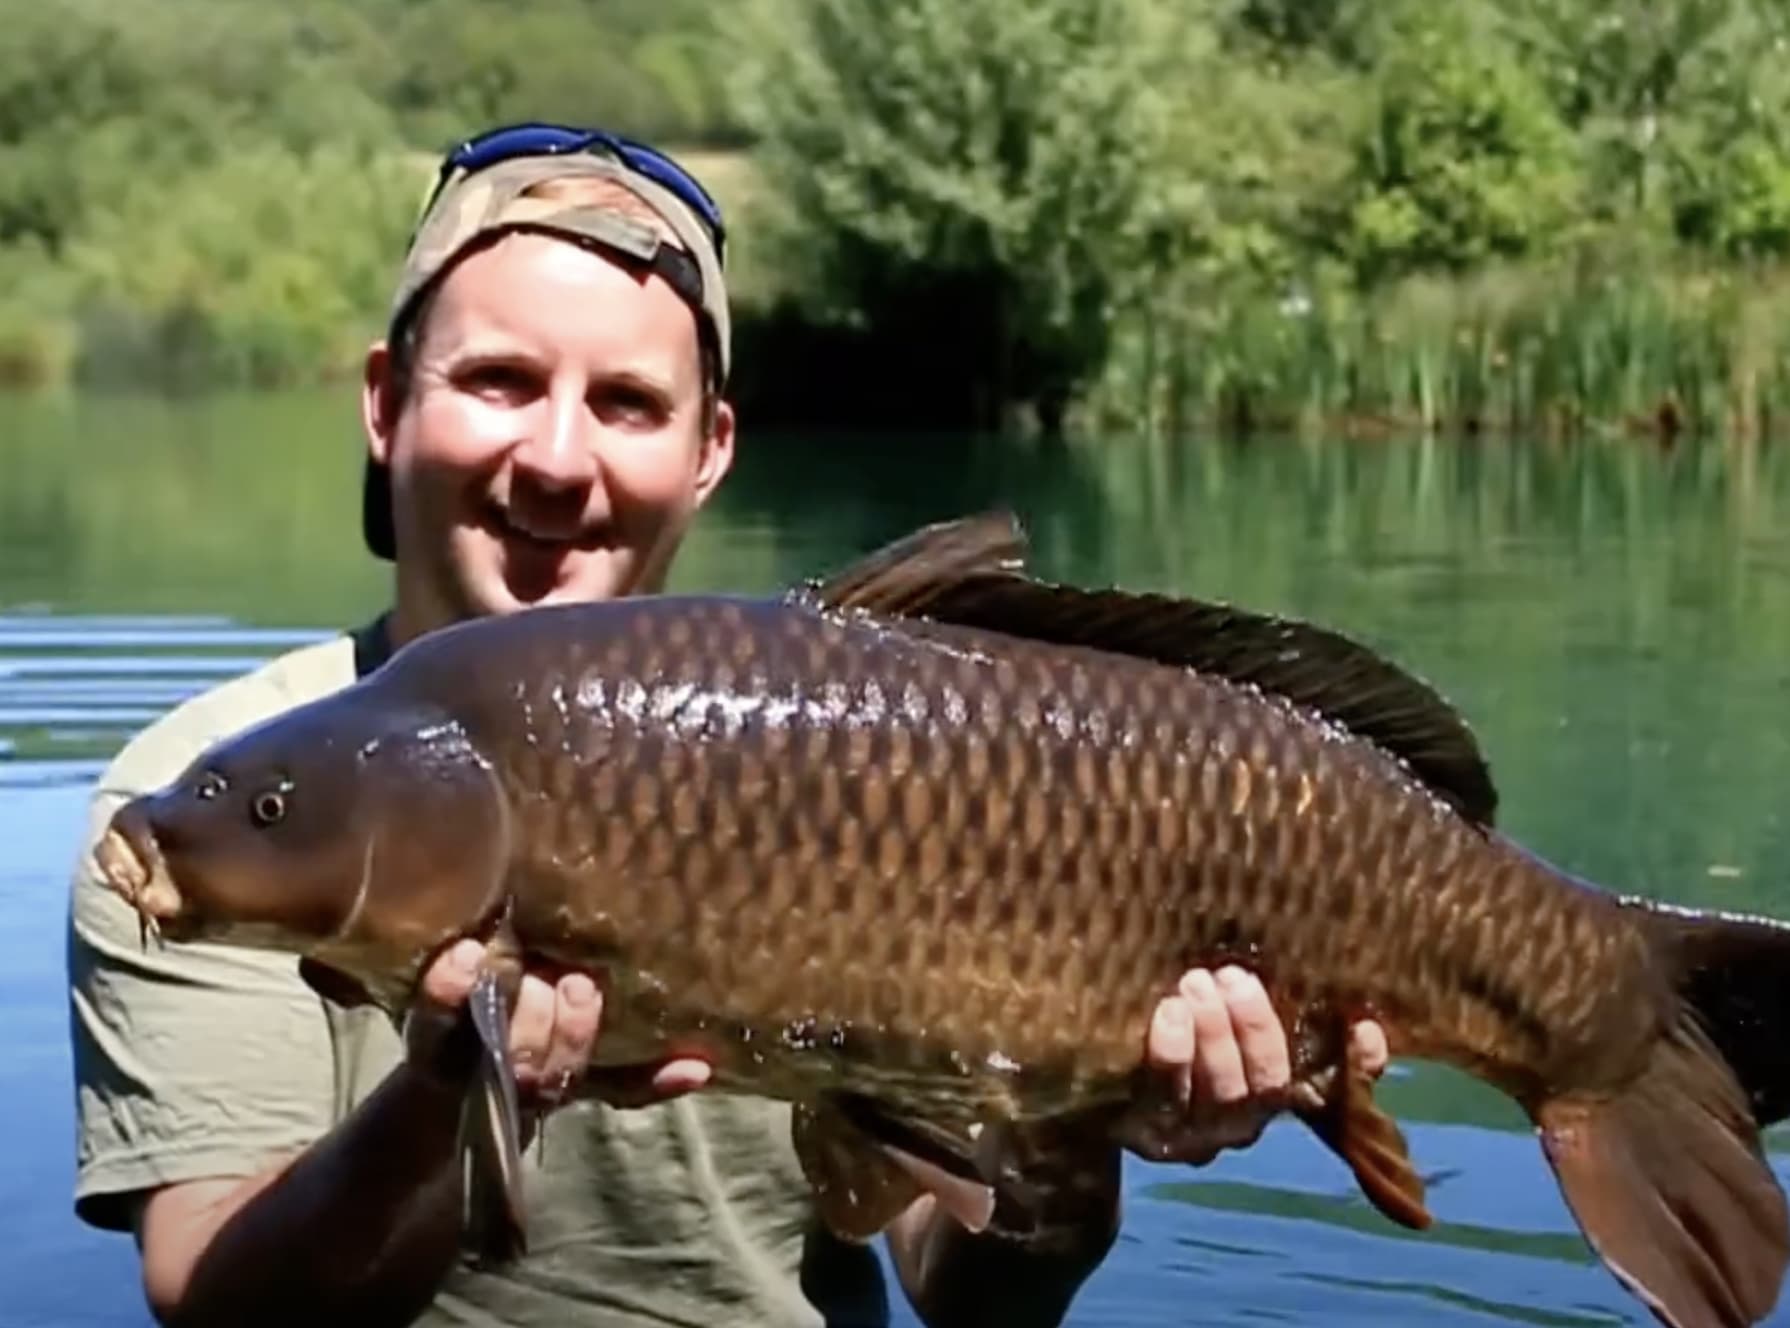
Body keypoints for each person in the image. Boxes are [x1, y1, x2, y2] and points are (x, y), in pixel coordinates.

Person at [66, 123, 1389, 1328]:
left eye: (627, 403)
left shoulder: (845, 759)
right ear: (384, 401)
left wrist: (1084, 1123)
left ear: (709, 448)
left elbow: (974, 1298)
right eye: (500, 381)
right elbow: (222, 1309)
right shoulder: (222, 800)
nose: (557, 458)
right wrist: (438, 1100)